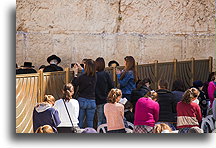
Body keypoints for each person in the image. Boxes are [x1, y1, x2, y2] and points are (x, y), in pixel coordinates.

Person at [72, 59, 97, 128]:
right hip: (92, 100)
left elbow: (74, 84)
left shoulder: (82, 77)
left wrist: (75, 73)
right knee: (90, 122)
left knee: (80, 121)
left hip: (82, 99)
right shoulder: (95, 76)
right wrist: (82, 68)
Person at [95, 57, 114, 126]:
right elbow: (111, 86)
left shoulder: (94, 75)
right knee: (106, 119)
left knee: (99, 120)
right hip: (106, 99)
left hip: (97, 100)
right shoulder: (106, 74)